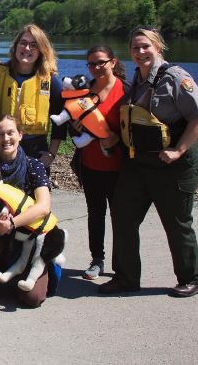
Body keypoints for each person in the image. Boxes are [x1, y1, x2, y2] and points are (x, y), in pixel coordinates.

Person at [99, 27, 198, 298]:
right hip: (139, 164)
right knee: (123, 217)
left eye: (145, 46)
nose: (140, 52)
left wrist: (179, 149)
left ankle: (191, 277)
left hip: (172, 165)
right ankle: (125, 278)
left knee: (177, 222)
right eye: (135, 48)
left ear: (157, 46)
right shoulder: (135, 79)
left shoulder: (175, 76)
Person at [0, 115, 54, 307]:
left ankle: (21, 278)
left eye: (10, 133)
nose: (6, 139)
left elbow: (43, 207)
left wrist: (12, 223)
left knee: (32, 299)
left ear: (20, 135)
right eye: (0, 134)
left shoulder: (34, 166)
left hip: (30, 238)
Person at [72, 45, 127, 280]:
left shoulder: (127, 90)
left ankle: (122, 264)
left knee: (121, 216)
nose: (96, 68)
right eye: (91, 64)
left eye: (101, 63)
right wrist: (74, 127)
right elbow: (74, 128)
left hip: (120, 168)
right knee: (95, 214)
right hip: (90, 166)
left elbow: (135, 131)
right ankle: (97, 260)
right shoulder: (84, 91)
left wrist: (116, 140)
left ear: (113, 62)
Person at [0, 24, 65, 173]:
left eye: (34, 45)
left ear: (41, 50)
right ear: (16, 46)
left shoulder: (50, 82)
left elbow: (61, 121)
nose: (27, 49)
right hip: (2, 146)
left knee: (36, 196)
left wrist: (51, 153)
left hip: (36, 149)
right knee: (1, 195)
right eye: (23, 43)